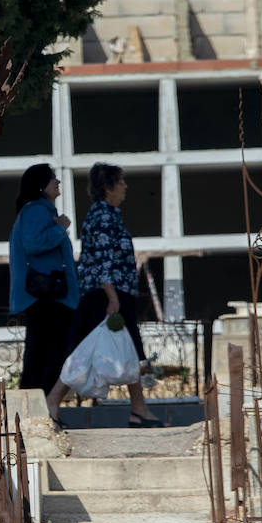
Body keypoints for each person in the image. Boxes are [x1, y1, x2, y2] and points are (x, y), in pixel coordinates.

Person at [57, 162, 165, 428]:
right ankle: (52, 401)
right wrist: (113, 297)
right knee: (83, 351)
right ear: (108, 186)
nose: (125, 186)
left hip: (112, 292)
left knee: (129, 348)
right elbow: (103, 259)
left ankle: (138, 409)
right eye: (121, 182)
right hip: (106, 295)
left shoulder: (107, 215)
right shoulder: (103, 216)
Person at [9, 164, 78, 423]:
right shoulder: (37, 210)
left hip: (48, 297)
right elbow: (34, 243)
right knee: (47, 356)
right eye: (52, 179)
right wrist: (60, 228)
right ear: (41, 186)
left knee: (44, 355)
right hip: (46, 297)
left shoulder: (40, 210)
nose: (58, 182)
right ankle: (35, 417)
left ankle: (36, 416)